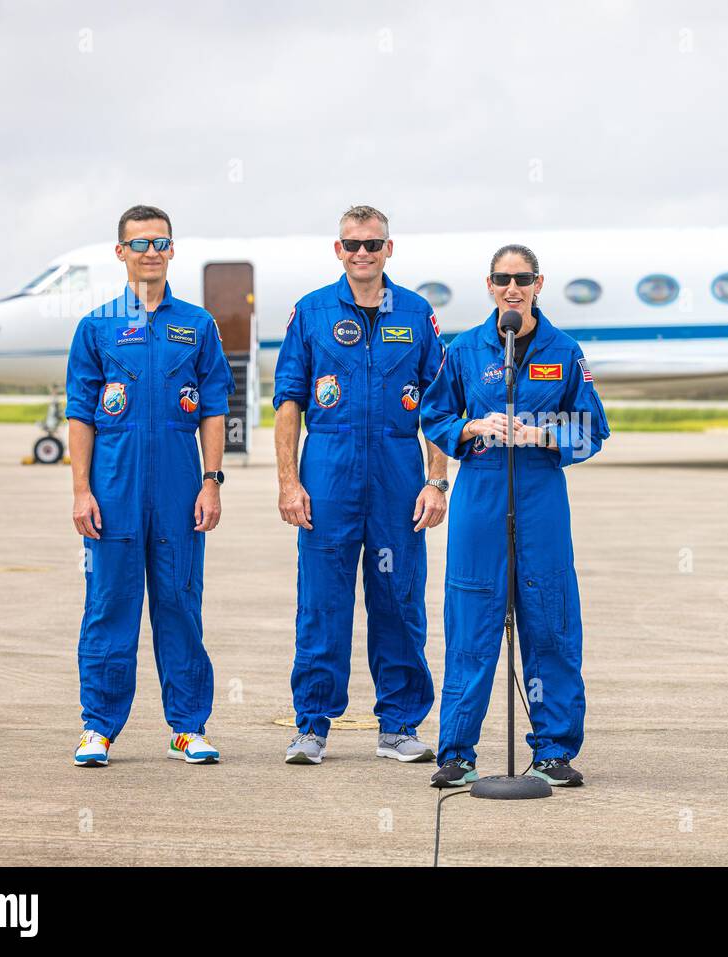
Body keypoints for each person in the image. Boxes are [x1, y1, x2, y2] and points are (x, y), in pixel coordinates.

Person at [419, 243, 610, 788]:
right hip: (481, 498)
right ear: (489, 285)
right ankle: (457, 751)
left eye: (522, 278)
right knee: (471, 625)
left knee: (550, 623)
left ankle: (553, 750)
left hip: (539, 497)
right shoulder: (466, 350)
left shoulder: (564, 350)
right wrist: (473, 428)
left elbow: (593, 429)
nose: (512, 288)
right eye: (502, 279)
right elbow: (435, 415)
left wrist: (543, 434)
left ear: (538, 284)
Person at [273, 205, 448, 766]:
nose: (362, 253)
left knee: (398, 600)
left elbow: (439, 406)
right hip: (328, 472)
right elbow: (288, 403)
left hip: (397, 476)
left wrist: (436, 482)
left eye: (373, 244)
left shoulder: (418, 314)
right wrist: (289, 483)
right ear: (338, 249)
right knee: (322, 603)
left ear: (389, 249)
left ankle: (398, 725)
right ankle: (312, 727)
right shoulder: (312, 312)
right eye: (352, 244)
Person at [66, 204, 234, 767]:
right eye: (139, 244)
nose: (151, 252)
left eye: (161, 242)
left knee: (180, 603)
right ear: (120, 253)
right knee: (109, 605)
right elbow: (81, 414)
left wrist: (211, 482)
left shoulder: (198, 324)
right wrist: (81, 491)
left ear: (171, 250)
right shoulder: (97, 325)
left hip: (179, 488)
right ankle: (99, 728)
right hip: (113, 489)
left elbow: (213, 408)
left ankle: (187, 727)